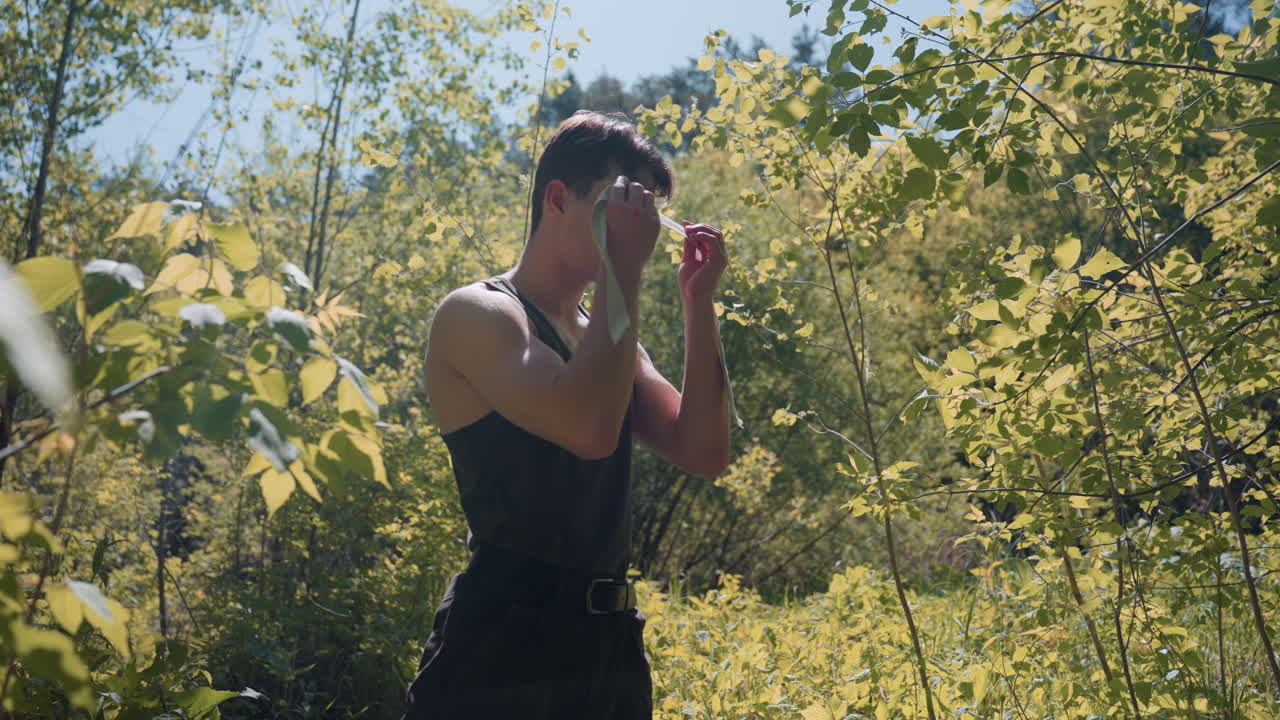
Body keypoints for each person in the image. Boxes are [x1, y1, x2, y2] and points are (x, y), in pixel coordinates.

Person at [401, 110, 733, 719]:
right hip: (503, 644)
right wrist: (621, 269)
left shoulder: (610, 338)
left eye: (643, 211)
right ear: (557, 198)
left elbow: (705, 451)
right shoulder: (479, 313)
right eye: (616, 204)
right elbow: (589, 429)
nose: (633, 225)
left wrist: (698, 303)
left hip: (609, 648)